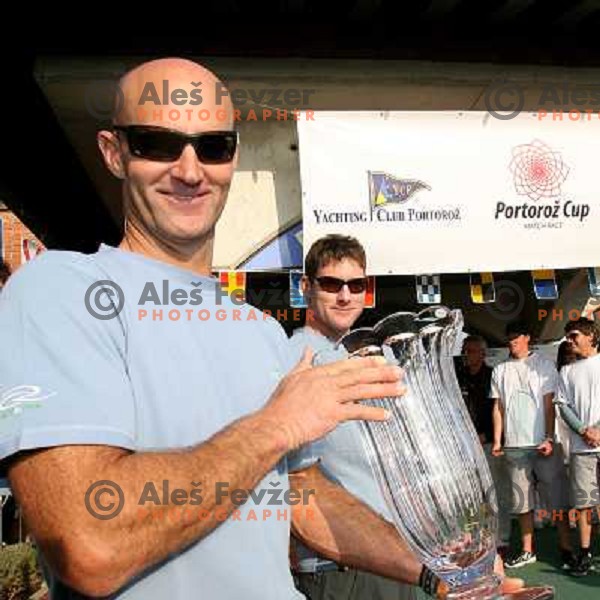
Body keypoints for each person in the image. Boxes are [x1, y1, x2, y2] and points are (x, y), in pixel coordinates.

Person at [0, 57, 523, 600]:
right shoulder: (60, 290)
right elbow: (89, 543)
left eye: (212, 146)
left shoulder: (262, 333)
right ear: (114, 153)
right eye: (157, 143)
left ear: (233, 157)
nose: (188, 169)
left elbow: (305, 497)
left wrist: (445, 578)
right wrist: (275, 425)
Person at [288, 234, 415, 600]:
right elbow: (273, 474)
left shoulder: (368, 358)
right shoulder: (289, 359)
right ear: (306, 287)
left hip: (397, 557)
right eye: (331, 284)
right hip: (339, 570)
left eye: (355, 284)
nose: (345, 295)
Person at [491, 321, 574, 570]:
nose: (513, 342)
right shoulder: (500, 369)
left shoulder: (545, 365)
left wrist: (549, 437)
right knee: (522, 502)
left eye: (517, 338)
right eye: (510, 338)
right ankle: (528, 551)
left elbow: (549, 405)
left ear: (528, 338)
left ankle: (566, 548)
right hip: (514, 446)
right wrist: (498, 440)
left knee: (556, 499)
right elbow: (498, 407)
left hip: (543, 444)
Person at [455, 335, 511, 556]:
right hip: (464, 447)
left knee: (495, 493)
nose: (466, 355)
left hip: (489, 445)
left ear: (482, 353)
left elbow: (501, 411)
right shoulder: (458, 378)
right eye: (464, 351)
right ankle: (476, 538)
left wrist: (487, 436)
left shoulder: (493, 376)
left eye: (471, 351)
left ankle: (501, 540)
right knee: (470, 495)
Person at [556, 318, 600, 576]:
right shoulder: (567, 371)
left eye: (574, 336)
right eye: (568, 338)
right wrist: (584, 430)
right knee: (584, 504)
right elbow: (562, 406)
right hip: (581, 448)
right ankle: (584, 553)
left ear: (591, 335)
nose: (570, 342)